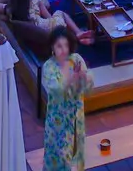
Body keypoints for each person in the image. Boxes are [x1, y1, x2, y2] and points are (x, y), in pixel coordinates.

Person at [40, 31, 92, 171]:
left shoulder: (76, 59)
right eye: (59, 46)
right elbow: (55, 90)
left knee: (76, 156)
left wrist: (83, 77)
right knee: (58, 157)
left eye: (66, 45)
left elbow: (88, 87)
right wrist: (71, 78)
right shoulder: (48, 67)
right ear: (52, 47)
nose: (63, 50)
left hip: (76, 119)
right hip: (58, 123)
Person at [9, 0, 85, 45]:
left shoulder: (11, 8)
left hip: (40, 31)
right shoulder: (34, 0)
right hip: (50, 22)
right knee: (60, 13)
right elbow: (48, 13)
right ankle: (78, 33)